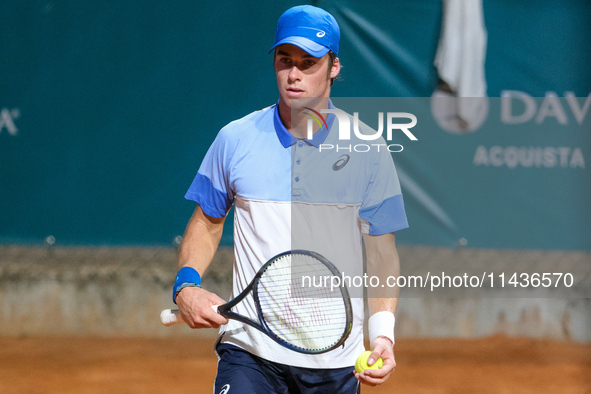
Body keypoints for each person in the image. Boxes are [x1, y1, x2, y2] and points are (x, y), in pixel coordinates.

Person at [172, 5, 408, 393]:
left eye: (309, 62)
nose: (294, 74)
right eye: (285, 60)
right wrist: (186, 286)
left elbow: (382, 252)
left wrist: (383, 333)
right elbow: (207, 221)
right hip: (250, 354)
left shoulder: (369, 150)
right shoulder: (235, 139)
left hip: (336, 361)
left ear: (334, 66)